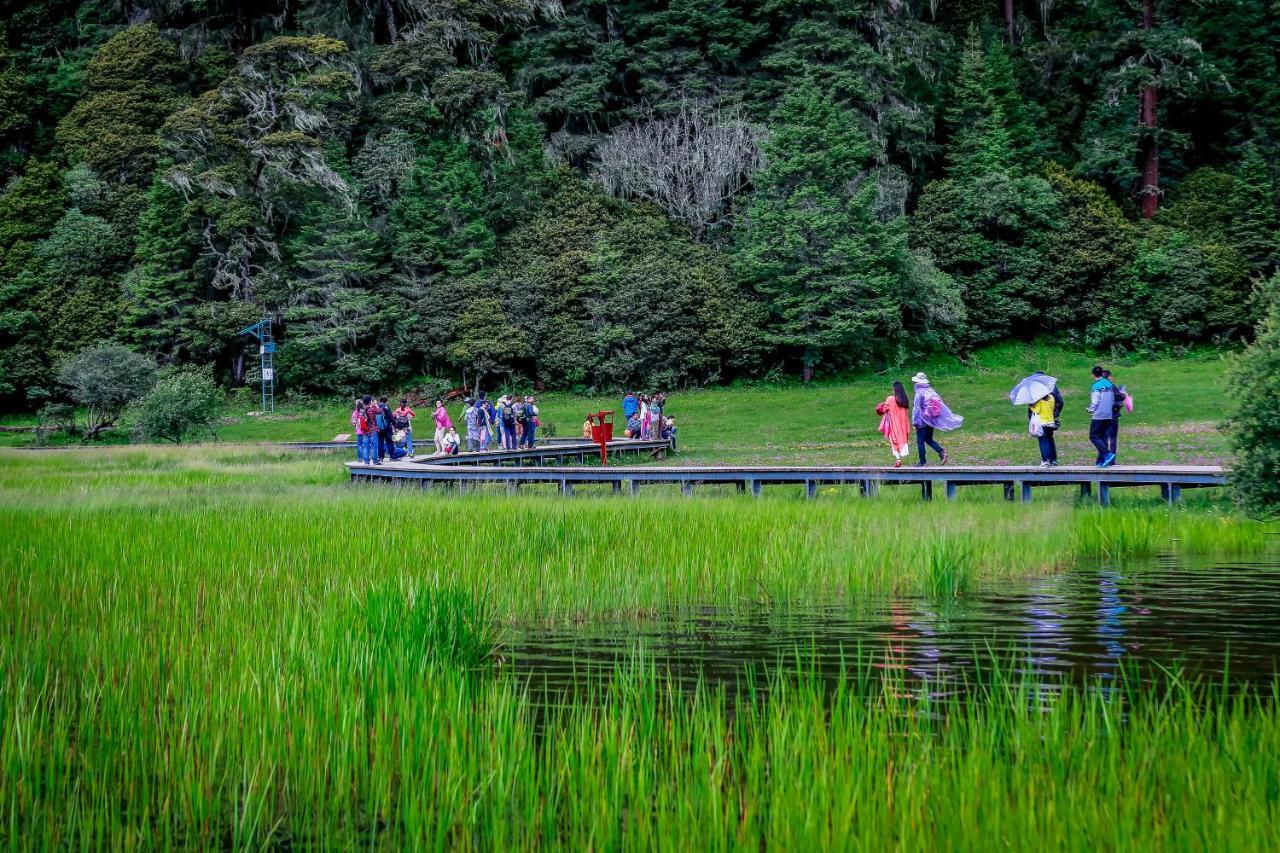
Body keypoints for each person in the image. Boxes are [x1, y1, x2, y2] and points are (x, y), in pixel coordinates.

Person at [911, 372, 963, 466]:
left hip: (922, 420)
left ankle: (922, 462)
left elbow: (916, 409)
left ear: (917, 382)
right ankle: (942, 453)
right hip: (931, 419)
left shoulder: (919, 393)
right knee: (928, 439)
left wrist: (915, 422)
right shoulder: (930, 390)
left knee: (920, 441)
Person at [875, 381, 912, 467]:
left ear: (894, 389)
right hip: (903, 424)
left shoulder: (890, 399)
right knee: (901, 440)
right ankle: (899, 457)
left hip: (894, 424)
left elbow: (883, 410)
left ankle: (898, 459)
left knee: (894, 441)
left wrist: (879, 406)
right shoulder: (904, 400)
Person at [1087, 366, 1116, 467]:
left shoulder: (1096, 385)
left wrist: (1090, 409)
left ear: (1093, 375)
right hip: (1108, 415)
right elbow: (1112, 399)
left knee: (1093, 436)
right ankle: (1101, 461)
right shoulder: (1109, 384)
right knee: (1103, 437)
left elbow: (1095, 401)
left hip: (1098, 415)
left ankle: (1107, 454)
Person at [1102, 369, 1127, 459]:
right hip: (1113, 415)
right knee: (1112, 438)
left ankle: (1103, 457)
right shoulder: (1112, 386)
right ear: (1109, 377)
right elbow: (1120, 397)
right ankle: (1112, 459)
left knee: (1103, 437)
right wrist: (1123, 394)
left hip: (1101, 416)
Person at [1029, 393, 1058, 467]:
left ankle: (1045, 460)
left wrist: (1031, 407)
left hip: (1042, 423)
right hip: (1051, 422)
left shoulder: (1039, 399)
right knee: (1050, 440)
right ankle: (1053, 460)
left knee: (1043, 441)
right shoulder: (1051, 397)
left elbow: (1037, 410)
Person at [351, 397, 377, 465]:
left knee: (364, 446)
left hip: (363, 430)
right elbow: (379, 411)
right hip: (371, 429)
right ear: (370, 401)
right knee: (373, 445)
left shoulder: (360, 410)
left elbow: (354, 421)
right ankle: (375, 460)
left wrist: (357, 425)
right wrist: (375, 405)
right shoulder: (371, 409)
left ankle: (365, 461)